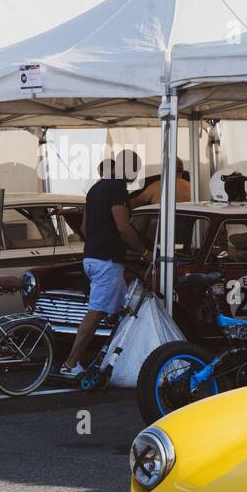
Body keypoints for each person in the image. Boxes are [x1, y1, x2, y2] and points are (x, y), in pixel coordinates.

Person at [59, 157, 150, 377]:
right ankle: (70, 364)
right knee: (96, 312)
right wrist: (143, 251)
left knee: (121, 309)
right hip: (106, 262)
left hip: (91, 258)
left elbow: (84, 226)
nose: (136, 174)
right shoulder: (117, 188)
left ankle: (115, 354)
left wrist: (97, 244)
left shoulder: (95, 188)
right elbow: (123, 227)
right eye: (135, 168)